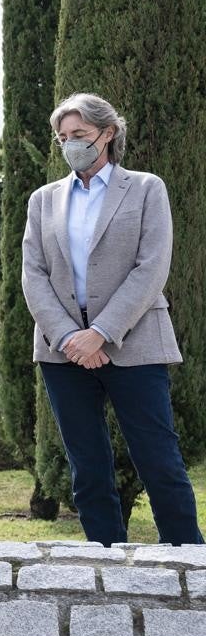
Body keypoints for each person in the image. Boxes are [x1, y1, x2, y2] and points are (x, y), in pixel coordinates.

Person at [22, 92, 202, 547]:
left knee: (158, 460)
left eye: (79, 135)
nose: (70, 144)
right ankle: (106, 564)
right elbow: (34, 275)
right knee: (87, 468)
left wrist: (101, 333)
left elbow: (152, 267)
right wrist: (69, 338)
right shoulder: (44, 200)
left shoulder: (146, 188)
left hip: (135, 343)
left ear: (109, 133)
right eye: (63, 137)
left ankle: (189, 564)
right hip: (63, 354)